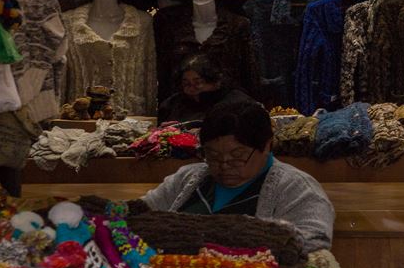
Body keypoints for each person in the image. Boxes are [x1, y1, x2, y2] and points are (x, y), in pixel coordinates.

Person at [140, 97, 335, 251]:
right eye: (213, 155)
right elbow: (142, 213)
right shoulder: (188, 179)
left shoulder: (296, 189)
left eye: (237, 156)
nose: (224, 166)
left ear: (266, 145)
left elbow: (314, 243)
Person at [157, 54, 259, 124]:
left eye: (198, 83)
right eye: (186, 84)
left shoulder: (239, 103)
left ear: (216, 82)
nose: (192, 88)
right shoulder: (172, 105)